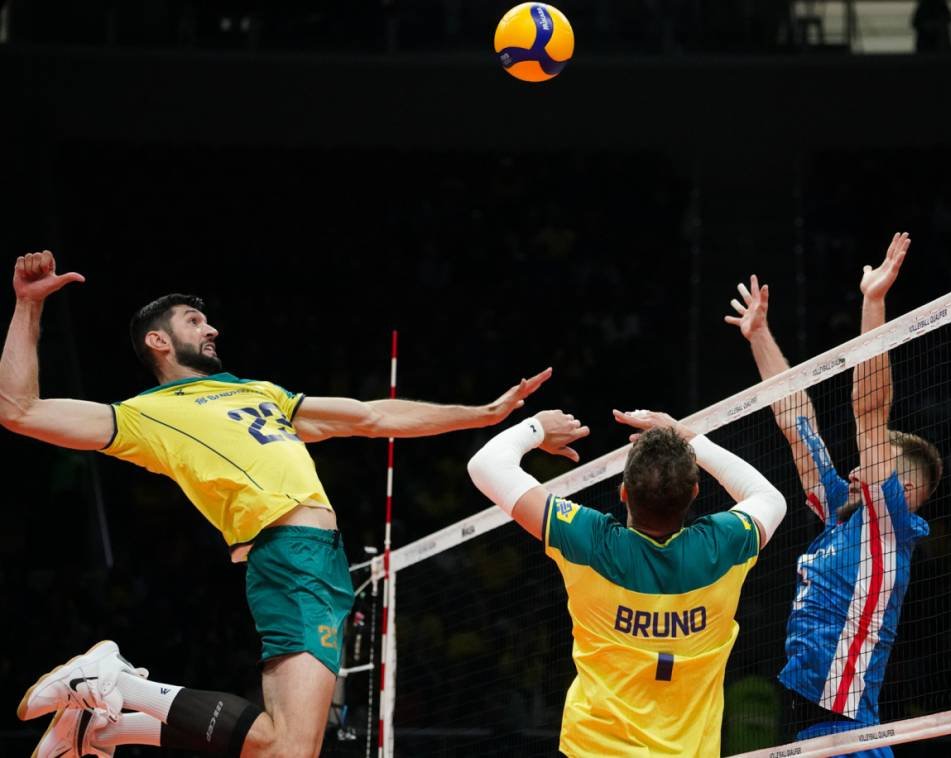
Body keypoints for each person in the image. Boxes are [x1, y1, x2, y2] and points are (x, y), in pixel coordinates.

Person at [3, 250, 551, 757]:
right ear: (158, 341)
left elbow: (371, 417)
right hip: (289, 553)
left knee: (284, 749)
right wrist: (29, 306)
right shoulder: (145, 416)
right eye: (193, 321)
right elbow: (20, 411)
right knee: (289, 749)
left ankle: (109, 725)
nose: (211, 326)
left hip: (321, 562)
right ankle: (114, 682)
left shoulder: (263, 393)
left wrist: (481, 415)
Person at [725, 233, 943, 755]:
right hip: (811, 733)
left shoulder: (887, 525)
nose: (854, 467)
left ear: (903, 488)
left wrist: (873, 303)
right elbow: (796, 420)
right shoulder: (840, 516)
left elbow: (869, 410)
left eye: (870, 461)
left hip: (846, 735)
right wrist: (759, 336)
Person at [466, 406, 786, 756]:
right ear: (694, 492)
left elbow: (485, 466)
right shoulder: (723, 545)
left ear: (622, 493)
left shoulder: (591, 542)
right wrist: (690, 438)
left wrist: (537, 427)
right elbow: (770, 498)